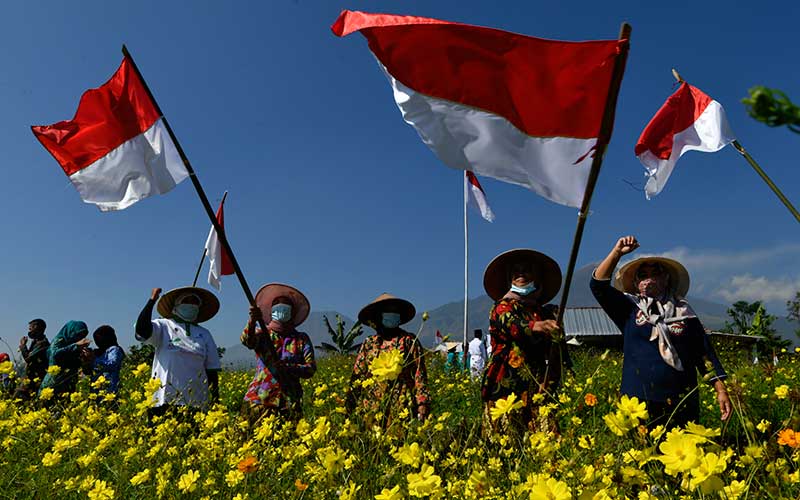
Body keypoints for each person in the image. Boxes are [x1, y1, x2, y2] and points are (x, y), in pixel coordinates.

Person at [591, 235, 732, 428]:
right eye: (643, 275)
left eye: (655, 274)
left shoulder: (685, 312)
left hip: (681, 398)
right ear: (635, 282)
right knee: (642, 453)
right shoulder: (629, 308)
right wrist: (617, 252)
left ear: (666, 279)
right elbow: (598, 286)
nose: (649, 279)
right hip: (637, 400)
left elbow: (704, 352)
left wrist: (721, 389)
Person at [481, 249, 564, 434]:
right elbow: (510, 323)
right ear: (509, 278)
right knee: (506, 441)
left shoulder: (545, 312)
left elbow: (556, 352)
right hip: (505, 387)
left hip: (538, 387)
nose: (521, 274)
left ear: (536, 277)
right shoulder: (502, 307)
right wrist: (535, 326)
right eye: (515, 271)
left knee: (546, 440)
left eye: (526, 270)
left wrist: (551, 381)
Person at [135, 287, 221, 419]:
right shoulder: (163, 326)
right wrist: (152, 301)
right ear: (177, 305)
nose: (191, 305)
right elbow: (142, 330)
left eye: (194, 302)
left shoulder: (204, 334)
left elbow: (211, 371)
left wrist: (215, 402)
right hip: (164, 400)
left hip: (195, 402)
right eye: (187, 301)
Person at [346, 293, 430, 425]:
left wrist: (422, 402)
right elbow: (358, 375)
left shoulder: (409, 341)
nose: (392, 314)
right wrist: (350, 402)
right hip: (372, 408)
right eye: (388, 311)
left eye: (395, 311)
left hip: (401, 406)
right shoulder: (370, 343)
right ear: (378, 316)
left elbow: (420, 374)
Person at [240, 283, 316, 422]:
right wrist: (252, 320)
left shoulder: (301, 339)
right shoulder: (263, 333)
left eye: (286, 306)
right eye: (277, 305)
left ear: (292, 312)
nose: (281, 308)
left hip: (289, 402)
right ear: (270, 311)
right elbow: (247, 341)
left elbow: (310, 369)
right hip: (260, 400)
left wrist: (288, 367)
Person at [39, 320, 91, 401]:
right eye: (78, 334)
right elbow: (55, 355)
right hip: (52, 386)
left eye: (83, 335)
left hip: (68, 387)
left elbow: (82, 368)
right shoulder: (59, 341)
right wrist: (76, 346)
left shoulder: (76, 348)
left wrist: (86, 359)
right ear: (71, 332)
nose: (80, 338)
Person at [16, 319, 50, 400]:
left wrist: (23, 346)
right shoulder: (36, 342)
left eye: (30, 328)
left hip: (35, 381)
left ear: (37, 327)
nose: (29, 331)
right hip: (30, 380)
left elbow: (29, 359)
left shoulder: (43, 343)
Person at [90, 325, 125, 396]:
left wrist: (94, 359)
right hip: (98, 388)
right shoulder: (101, 351)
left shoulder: (114, 349)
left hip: (110, 387)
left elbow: (112, 364)